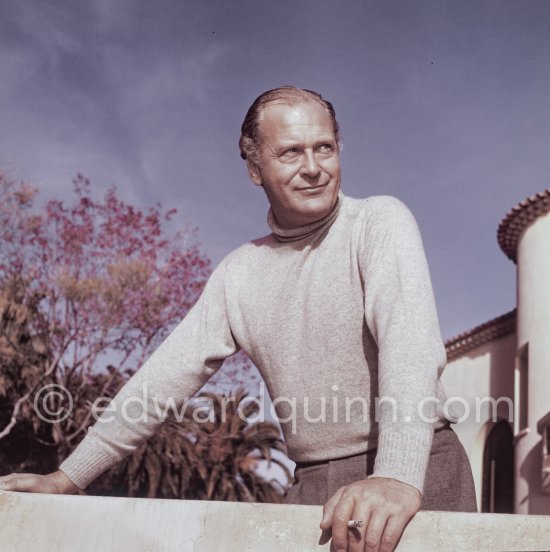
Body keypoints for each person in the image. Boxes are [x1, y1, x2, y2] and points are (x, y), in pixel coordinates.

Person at [0, 87, 476, 552]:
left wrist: (395, 475)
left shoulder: (380, 222)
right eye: (290, 153)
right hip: (311, 486)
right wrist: (68, 478)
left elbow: (409, 348)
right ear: (254, 167)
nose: (312, 168)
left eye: (324, 148)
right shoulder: (237, 273)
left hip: (413, 473)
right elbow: (159, 383)